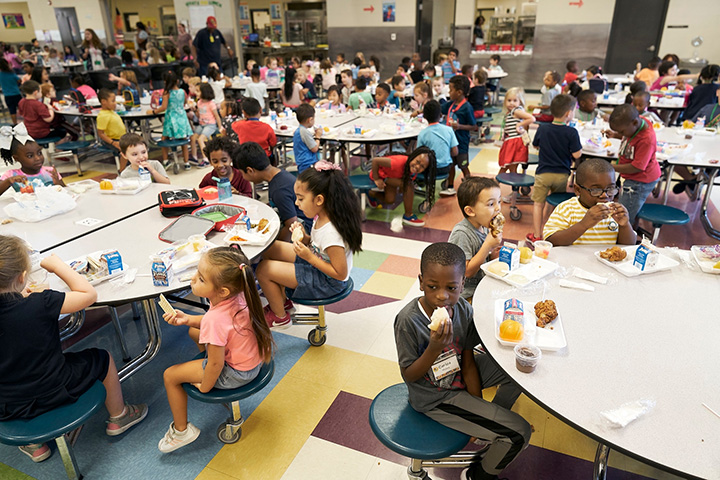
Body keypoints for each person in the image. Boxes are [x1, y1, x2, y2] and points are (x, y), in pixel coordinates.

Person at [0, 234, 148, 462]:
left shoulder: (36, 304)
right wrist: (58, 266)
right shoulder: (40, 303)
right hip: (57, 389)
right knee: (103, 358)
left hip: (7, 405)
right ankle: (120, 416)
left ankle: (34, 444)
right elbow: (88, 295)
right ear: (22, 278)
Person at [394, 242, 531, 480]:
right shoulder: (409, 321)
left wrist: (480, 407)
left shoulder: (463, 311)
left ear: (463, 285)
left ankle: (491, 423)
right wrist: (434, 348)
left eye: (451, 287)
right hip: (435, 396)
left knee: (519, 367)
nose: (441, 296)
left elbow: (467, 362)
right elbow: (409, 375)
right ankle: (479, 474)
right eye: (432, 286)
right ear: (420, 281)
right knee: (519, 434)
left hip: (458, 374)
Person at [158, 247, 273, 452]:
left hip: (234, 373)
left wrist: (205, 386)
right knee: (194, 332)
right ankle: (205, 372)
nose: (193, 279)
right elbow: (219, 325)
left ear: (222, 291)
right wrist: (188, 319)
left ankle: (182, 431)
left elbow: (216, 362)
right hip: (251, 362)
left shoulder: (214, 319)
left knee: (170, 375)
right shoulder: (240, 296)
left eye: (201, 279)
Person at [256, 161, 363, 327]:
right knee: (271, 248)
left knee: (263, 270)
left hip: (328, 282)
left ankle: (280, 316)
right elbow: (316, 245)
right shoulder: (322, 215)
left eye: (300, 199)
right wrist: (304, 238)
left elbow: (340, 274)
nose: (296, 204)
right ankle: (282, 302)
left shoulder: (331, 233)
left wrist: (309, 257)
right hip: (317, 262)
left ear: (319, 199)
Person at [527, 94, 583, 243]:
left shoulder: (543, 128)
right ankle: (548, 229)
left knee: (538, 204)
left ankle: (536, 235)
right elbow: (577, 154)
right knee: (553, 201)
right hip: (561, 174)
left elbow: (535, 145)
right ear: (568, 114)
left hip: (543, 173)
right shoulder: (572, 132)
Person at [543, 158, 636, 246]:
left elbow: (629, 245)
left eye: (610, 188)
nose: (605, 195)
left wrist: (625, 225)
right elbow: (551, 241)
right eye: (595, 190)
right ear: (578, 190)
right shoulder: (567, 209)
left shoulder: (615, 213)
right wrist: (584, 224)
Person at [233, 141, 311, 240]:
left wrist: (275, 243)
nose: (243, 178)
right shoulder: (279, 174)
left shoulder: (279, 190)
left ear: (250, 171)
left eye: (241, 173)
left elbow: (291, 226)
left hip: (304, 230)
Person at [604, 104, 660, 223]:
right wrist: (615, 135)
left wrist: (610, 167)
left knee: (624, 214)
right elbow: (629, 133)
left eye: (622, 131)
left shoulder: (646, 139)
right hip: (632, 177)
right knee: (626, 208)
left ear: (635, 122)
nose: (622, 133)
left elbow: (637, 167)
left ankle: (627, 237)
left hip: (640, 181)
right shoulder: (637, 123)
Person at [449, 177, 503, 300]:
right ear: (470, 211)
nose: (498, 208)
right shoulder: (462, 234)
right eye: (491, 204)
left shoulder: (482, 227)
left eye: (499, 201)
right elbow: (466, 272)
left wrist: (490, 255)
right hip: (466, 296)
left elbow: (477, 257)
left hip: (481, 286)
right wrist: (487, 246)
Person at [367, 146, 436, 227]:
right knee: (408, 185)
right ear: (412, 157)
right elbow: (375, 161)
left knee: (390, 200)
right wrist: (377, 179)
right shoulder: (398, 162)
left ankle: (370, 193)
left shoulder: (411, 167)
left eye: (422, 166)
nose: (418, 166)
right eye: (417, 162)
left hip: (391, 175)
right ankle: (408, 216)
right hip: (381, 175)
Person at [0, 124, 64, 195]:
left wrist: (58, 182)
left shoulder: (50, 172)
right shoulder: (12, 174)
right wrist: (8, 181)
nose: (37, 158)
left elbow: (66, 191)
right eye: (30, 156)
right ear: (16, 158)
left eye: (39, 153)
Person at [417, 99, 458, 208]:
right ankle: (449, 185)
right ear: (441, 115)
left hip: (430, 170)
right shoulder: (449, 130)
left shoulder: (422, 133)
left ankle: (427, 198)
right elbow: (455, 152)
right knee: (451, 160)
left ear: (424, 117)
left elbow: (419, 155)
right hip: (446, 168)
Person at [148, 71, 193, 169]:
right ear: (177, 81)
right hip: (182, 117)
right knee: (184, 140)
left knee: (164, 139)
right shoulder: (182, 91)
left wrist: (153, 112)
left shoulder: (167, 92)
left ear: (165, 82)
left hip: (171, 118)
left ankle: (165, 161)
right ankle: (186, 163)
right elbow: (184, 102)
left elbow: (163, 107)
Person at [442, 75, 476, 193]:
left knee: (463, 165)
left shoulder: (467, 107)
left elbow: (474, 126)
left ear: (459, 92)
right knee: (451, 165)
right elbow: (439, 109)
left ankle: (470, 185)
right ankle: (450, 187)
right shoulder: (451, 104)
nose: (449, 92)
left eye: (451, 89)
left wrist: (460, 126)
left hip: (461, 144)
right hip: (450, 143)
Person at [498, 87, 534, 174]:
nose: (511, 103)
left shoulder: (516, 111)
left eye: (515, 100)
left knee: (508, 165)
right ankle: (516, 185)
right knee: (510, 167)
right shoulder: (510, 112)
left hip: (515, 142)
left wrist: (520, 125)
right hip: (511, 141)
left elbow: (532, 118)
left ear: (520, 102)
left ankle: (496, 183)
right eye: (509, 100)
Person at [190, 83, 223, 166]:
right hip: (202, 124)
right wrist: (195, 110)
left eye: (198, 91)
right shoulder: (199, 102)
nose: (196, 93)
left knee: (201, 139)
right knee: (193, 138)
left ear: (204, 92)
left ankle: (206, 159)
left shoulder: (211, 104)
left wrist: (220, 127)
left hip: (210, 125)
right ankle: (194, 157)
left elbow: (217, 116)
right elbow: (199, 115)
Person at [96, 88, 127, 163]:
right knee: (127, 151)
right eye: (112, 101)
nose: (115, 103)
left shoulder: (111, 112)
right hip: (111, 141)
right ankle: (122, 171)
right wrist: (113, 143)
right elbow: (100, 133)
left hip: (121, 139)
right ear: (103, 102)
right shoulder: (103, 115)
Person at [293, 103, 321, 172]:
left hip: (302, 163)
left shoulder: (299, 130)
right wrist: (318, 136)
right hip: (307, 164)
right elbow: (314, 148)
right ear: (310, 119)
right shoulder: (304, 132)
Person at [0, 58, 22, 123]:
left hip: (7, 95)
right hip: (16, 94)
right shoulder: (11, 73)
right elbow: (19, 80)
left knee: (12, 110)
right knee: (22, 108)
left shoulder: (0, 75)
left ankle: (15, 123)